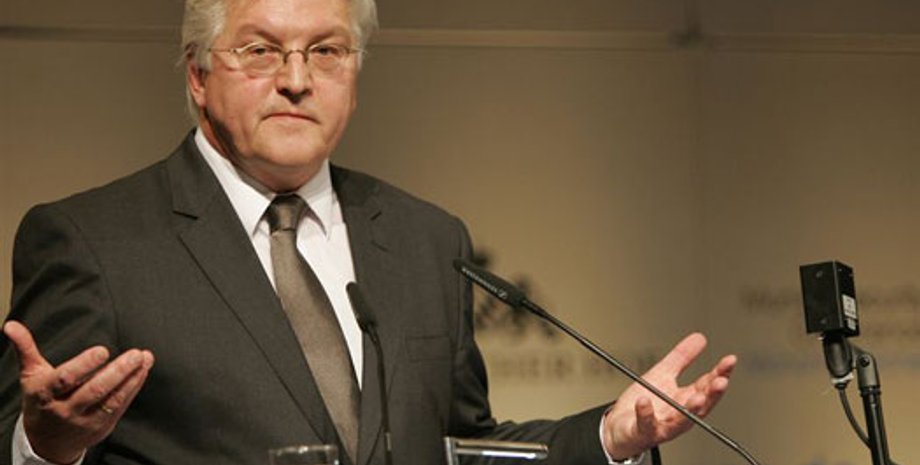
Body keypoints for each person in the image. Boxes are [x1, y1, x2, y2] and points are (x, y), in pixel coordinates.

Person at [0, 0, 737, 464]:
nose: (296, 79)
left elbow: (463, 448)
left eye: (326, 51)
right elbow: (17, 438)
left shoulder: (426, 239)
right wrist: (44, 448)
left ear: (355, 75)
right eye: (260, 50)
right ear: (198, 75)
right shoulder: (92, 241)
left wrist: (610, 434)